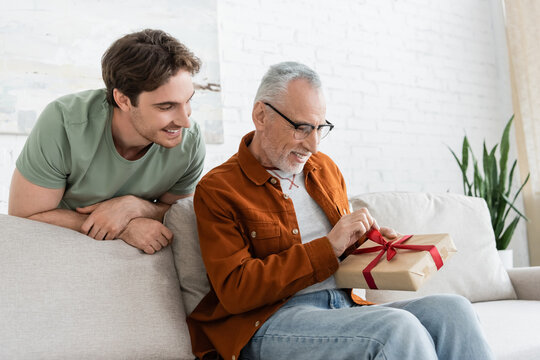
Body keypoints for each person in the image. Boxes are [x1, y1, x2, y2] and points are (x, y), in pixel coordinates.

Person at [187, 62, 494, 360]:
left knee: (454, 311)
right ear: (261, 115)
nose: (314, 145)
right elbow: (235, 289)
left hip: (342, 308)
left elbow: (339, 253)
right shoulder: (218, 189)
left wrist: (368, 243)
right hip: (270, 322)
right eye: (302, 128)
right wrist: (329, 246)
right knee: (395, 329)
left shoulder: (324, 169)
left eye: (321, 128)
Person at [8, 29, 205, 255]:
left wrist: (138, 207)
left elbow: (179, 214)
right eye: (166, 106)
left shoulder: (189, 142)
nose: (185, 121)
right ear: (123, 99)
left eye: (188, 101)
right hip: (54, 249)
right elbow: (25, 219)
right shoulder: (63, 122)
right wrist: (123, 227)